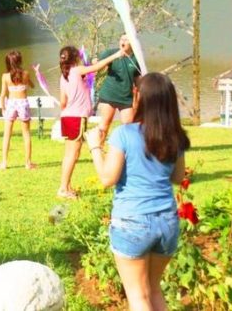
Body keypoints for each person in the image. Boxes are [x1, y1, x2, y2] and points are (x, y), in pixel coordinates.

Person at [86, 73, 189, 311]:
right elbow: (177, 178)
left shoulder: (124, 134)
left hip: (132, 222)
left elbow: (107, 178)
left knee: (138, 296)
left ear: (138, 97)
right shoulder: (176, 137)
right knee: (153, 289)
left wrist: (94, 146)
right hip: (167, 222)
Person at [58, 45, 127, 199]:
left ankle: (66, 186)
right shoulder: (77, 70)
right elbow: (96, 67)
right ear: (76, 57)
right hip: (76, 118)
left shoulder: (64, 76)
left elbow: (63, 102)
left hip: (67, 117)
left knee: (69, 154)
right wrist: (115, 55)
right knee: (73, 155)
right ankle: (63, 189)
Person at [0, 50, 36, 170]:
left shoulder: (5, 76)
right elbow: (32, 86)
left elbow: (2, 95)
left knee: (7, 134)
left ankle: (4, 163)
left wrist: (3, 108)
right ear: (19, 61)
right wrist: (33, 77)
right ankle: (28, 163)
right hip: (23, 103)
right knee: (26, 134)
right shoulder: (26, 74)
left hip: (11, 104)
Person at [96, 35, 142, 138]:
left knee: (128, 128)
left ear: (132, 43)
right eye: (121, 39)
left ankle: (124, 152)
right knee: (104, 125)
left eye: (126, 39)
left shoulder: (136, 58)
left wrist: (138, 99)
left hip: (126, 98)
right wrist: (114, 57)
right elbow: (96, 65)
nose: (123, 41)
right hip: (109, 95)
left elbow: (138, 80)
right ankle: (99, 147)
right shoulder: (111, 53)